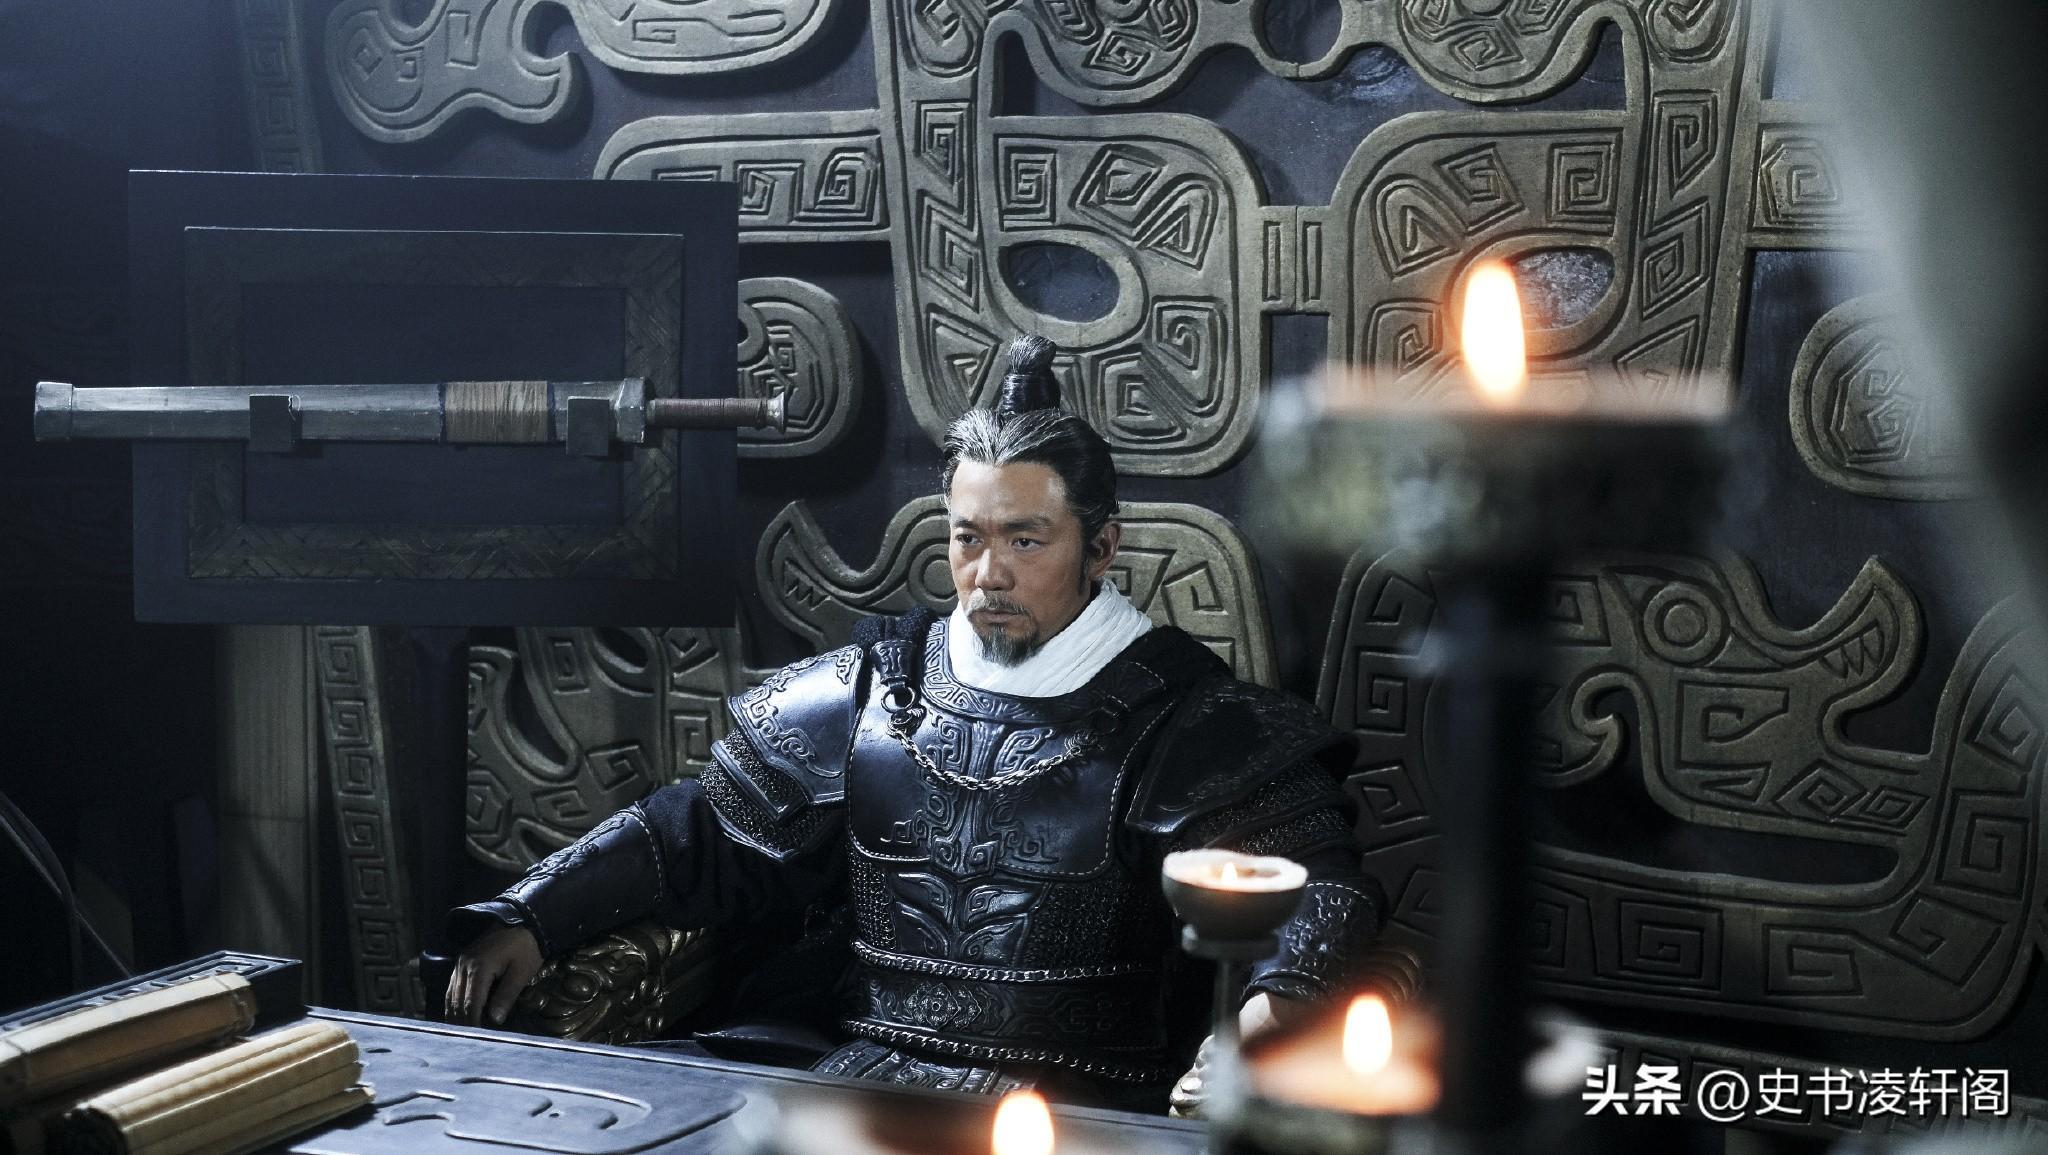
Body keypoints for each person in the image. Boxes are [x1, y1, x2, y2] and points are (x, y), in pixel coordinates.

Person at [444, 334, 1382, 1111]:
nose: (989, 573)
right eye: (969, 537)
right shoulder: (878, 689)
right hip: (861, 1071)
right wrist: (531, 914)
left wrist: (1263, 1023)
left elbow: (1320, 894)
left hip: (1077, 1101)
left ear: (1101, 547)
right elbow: (697, 831)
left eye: (1025, 539)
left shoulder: (1186, 719)